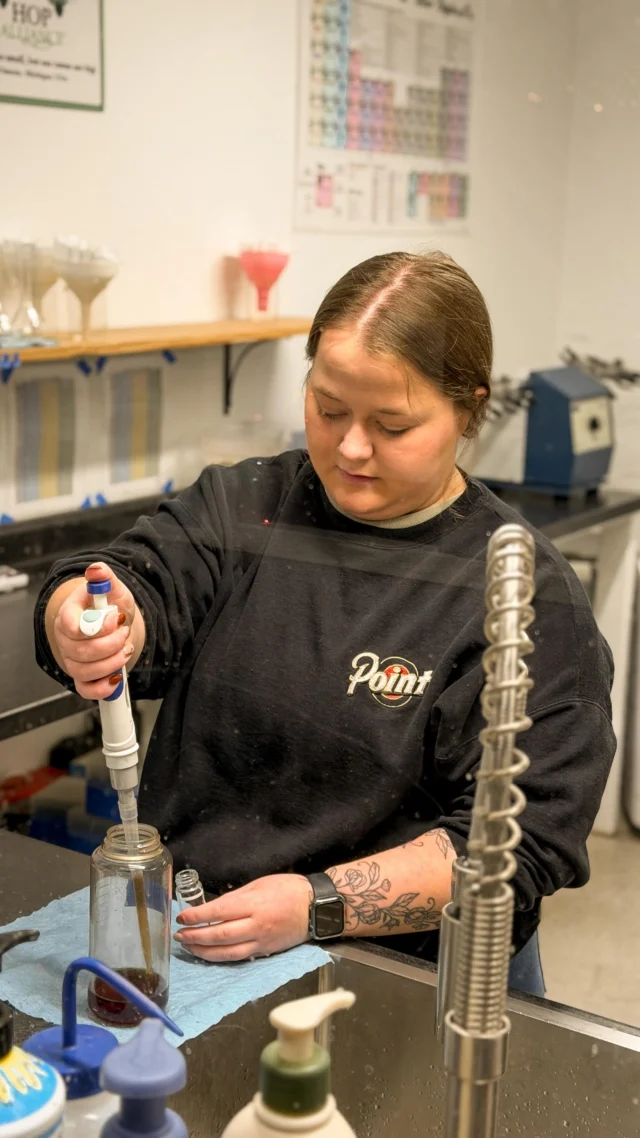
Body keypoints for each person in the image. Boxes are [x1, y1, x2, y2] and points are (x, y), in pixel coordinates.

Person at [34, 251, 615, 997]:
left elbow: (523, 840)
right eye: (329, 407)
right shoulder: (249, 507)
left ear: (469, 411)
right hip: (200, 945)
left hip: (407, 978)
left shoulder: (521, 593)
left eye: (392, 424)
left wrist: (318, 905)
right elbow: (131, 579)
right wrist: (87, 622)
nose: (349, 447)